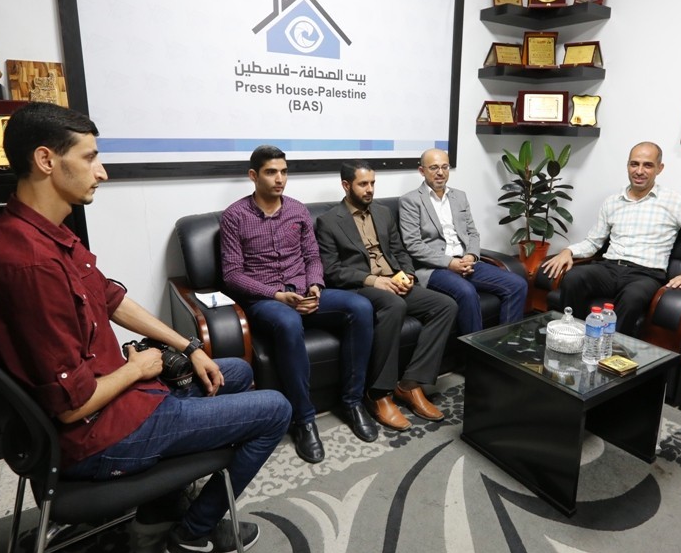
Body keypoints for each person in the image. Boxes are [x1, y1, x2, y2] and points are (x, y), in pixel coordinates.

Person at [0, 102, 291, 553]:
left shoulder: (38, 234)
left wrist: (188, 346)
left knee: (231, 369)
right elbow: (72, 407)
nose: (102, 172)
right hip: (100, 436)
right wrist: (138, 369)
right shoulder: (30, 265)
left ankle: (162, 504)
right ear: (46, 160)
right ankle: (191, 536)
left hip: (113, 402)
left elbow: (111, 299)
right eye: (90, 158)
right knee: (276, 409)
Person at [221, 145, 378, 463]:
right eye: (271, 172)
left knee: (360, 308)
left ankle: (352, 401)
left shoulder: (297, 210)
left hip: (305, 292)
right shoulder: (234, 217)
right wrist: (277, 296)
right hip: (267, 300)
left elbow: (312, 257)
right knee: (289, 321)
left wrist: (316, 286)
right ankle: (304, 419)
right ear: (253, 176)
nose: (279, 179)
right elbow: (232, 275)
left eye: (283, 172)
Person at [315, 161, 458, 430]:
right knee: (393, 305)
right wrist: (374, 280)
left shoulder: (383, 213)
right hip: (360, 287)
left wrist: (408, 275)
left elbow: (399, 251)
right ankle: (379, 393)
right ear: (346, 185)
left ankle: (410, 384)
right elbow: (332, 271)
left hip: (394, 281)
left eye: (372, 183)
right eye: (363, 184)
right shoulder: (329, 221)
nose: (370, 189)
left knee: (445, 305)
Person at [540, 141, 681, 334]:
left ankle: (611, 349)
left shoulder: (674, 202)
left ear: (659, 168)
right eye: (634, 164)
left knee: (633, 297)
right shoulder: (612, 202)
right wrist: (568, 251)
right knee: (574, 277)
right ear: (628, 166)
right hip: (609, 268)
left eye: (648, 165)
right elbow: (593, 242)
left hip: (645, 275)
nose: (639, 171)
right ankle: (573, 335)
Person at [398, 148, 528, 334]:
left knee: (517, 285)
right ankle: (473, 348)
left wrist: (471, 255)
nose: (440, 172)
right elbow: (413, 245)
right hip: (435, 268)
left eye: (445, 167)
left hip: (467, 263)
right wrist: (450, 263)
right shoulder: (410, 200)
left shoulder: (459, 196)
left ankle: (506, 343)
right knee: (466, 292)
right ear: (422, 171)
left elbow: (472, 233)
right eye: (434, 167)